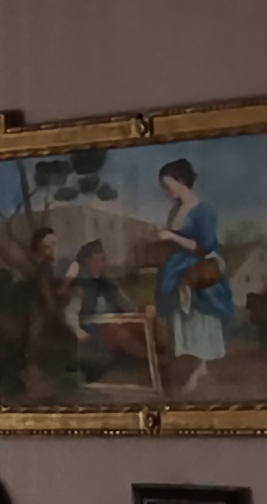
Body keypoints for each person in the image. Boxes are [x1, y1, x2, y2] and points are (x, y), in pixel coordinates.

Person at [148, 157, 232, 386]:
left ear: (182, 180)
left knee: (197, 316)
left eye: (167, 185)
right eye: (162, 186)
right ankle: (188, 364)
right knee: (179, 318)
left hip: (199, 268)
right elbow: (175, 242)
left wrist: (171, 236)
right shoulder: (175, 209)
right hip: (177, 268)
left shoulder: (203, 210)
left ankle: (199, 367)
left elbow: (203, 247)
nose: (165, 191)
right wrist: (161, 238)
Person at [59, 238, 132, 384]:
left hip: (114, 324)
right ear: (89, 262)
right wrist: (78, 331)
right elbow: (69, 313)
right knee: (120, 335)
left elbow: (126, 303)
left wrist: (140, 311)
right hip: (94, 330)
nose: (104, 263)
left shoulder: (108, 283)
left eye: (104, 259)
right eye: (100, 260)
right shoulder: (81, 288)